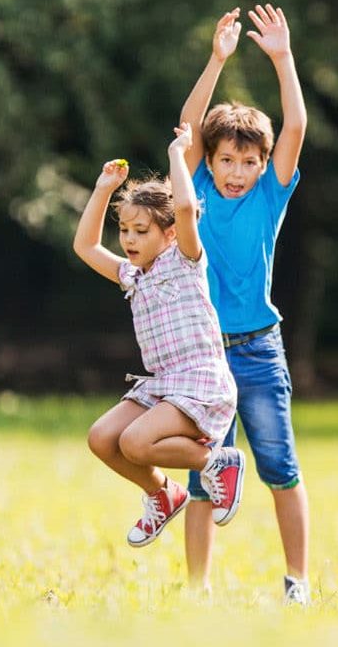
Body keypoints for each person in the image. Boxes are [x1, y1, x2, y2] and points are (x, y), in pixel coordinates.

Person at [175, 5, 311, 603]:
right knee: (203, 476)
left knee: (280, 466)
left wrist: (282, 59)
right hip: (205, 357)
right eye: (226, 160)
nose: (236, 171)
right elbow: (189, 129)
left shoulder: (269, 196)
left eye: (249, 162)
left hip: (258, 350)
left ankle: (298, 582)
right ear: (210, 163)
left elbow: (296, 128)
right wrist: (217, 59)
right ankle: (196, 589)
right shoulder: (198, 187)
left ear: (264, 165)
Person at [73, 128, 245, 551]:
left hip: (201, 381)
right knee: (102, 438)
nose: (129, 239)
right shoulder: (132, 276)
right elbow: (85, 245)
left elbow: (185, 206)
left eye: (141, 231)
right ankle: (163, 493)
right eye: (126, 230)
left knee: (135, 442)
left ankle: (216, 461)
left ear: (167, 235)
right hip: (163, 384)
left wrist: (177, 152)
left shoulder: (185, 262)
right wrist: (102, 189)